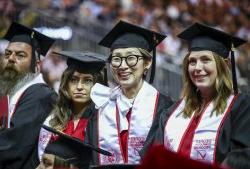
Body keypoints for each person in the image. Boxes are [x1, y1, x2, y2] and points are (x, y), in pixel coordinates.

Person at [141, 22, 250, 165]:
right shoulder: (171, 112)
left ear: (225, 65)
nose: (197, 68)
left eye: (205, 60)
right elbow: (154, 158)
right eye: (192, 61)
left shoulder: (241, 109)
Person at [84, 20, 173, 165]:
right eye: (116, 59)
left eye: (131, 58)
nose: (123, 66)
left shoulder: (164, 108)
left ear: (147, 62)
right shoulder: (100, 106)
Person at [37, 51, 107, 168]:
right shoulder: (54, 119)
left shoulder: (103, 123)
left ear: (98, 85)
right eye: (74, 80)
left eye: (87, 81)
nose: (79, 87)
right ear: (66, 84)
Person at [0, 22, 56, 168]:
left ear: (37, 65)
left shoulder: (40, 95)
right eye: (7, 54)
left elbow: (13, 145)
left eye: (20, 55)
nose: (11, 58)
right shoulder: (10, 91)